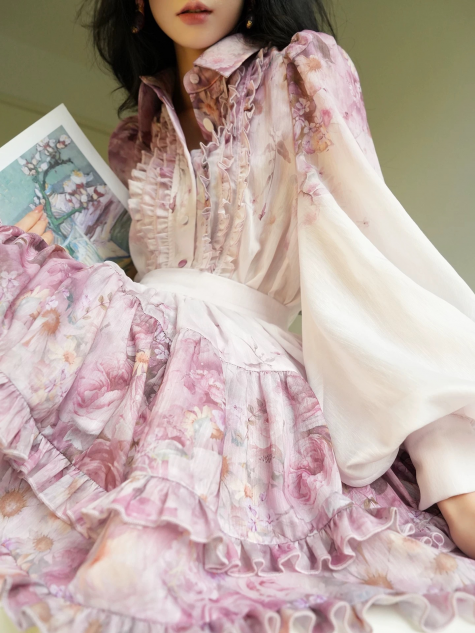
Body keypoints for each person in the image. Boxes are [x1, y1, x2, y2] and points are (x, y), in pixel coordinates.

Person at [1, 0, 475, 631]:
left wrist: (452, 468)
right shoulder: (136, 138)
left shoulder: (300, 74)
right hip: (134, 381)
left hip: (244, 397)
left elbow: (377, 263)